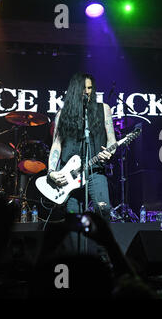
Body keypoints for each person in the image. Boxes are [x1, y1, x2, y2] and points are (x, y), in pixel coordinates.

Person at [47, 73, 116, 219]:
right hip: (69, 175)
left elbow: (111, 140)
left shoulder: (104, 109)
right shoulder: (62, 114)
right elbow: (57, 145)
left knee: (103, 211)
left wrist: (109, 152)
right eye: (84, 88)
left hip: (95, 170)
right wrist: (52, 171)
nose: (87, 91)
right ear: (75, 90)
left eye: (90, 88)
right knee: (72, 217)